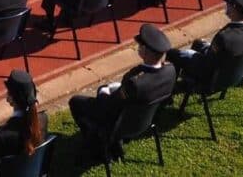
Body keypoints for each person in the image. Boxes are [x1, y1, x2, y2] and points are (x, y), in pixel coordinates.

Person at [68, 24, 175, 159]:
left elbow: (109, 106)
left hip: (121, 126)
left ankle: (97, 144)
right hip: (145, 122)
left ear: (145, 51)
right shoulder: (170, 71)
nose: (139, 47)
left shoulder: (134, 82)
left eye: (141, 45)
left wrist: (103, 91)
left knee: (76, 101)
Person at [167, 0, 243, 86]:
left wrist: (192, 54)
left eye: (228, 4)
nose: (226, 6)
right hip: (235, 75)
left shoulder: (224, 37)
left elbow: (208, 64)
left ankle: (168, 92)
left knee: (173, 53)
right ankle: (186, 78)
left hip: (212, 80)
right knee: (198, 43)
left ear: (233, 8)